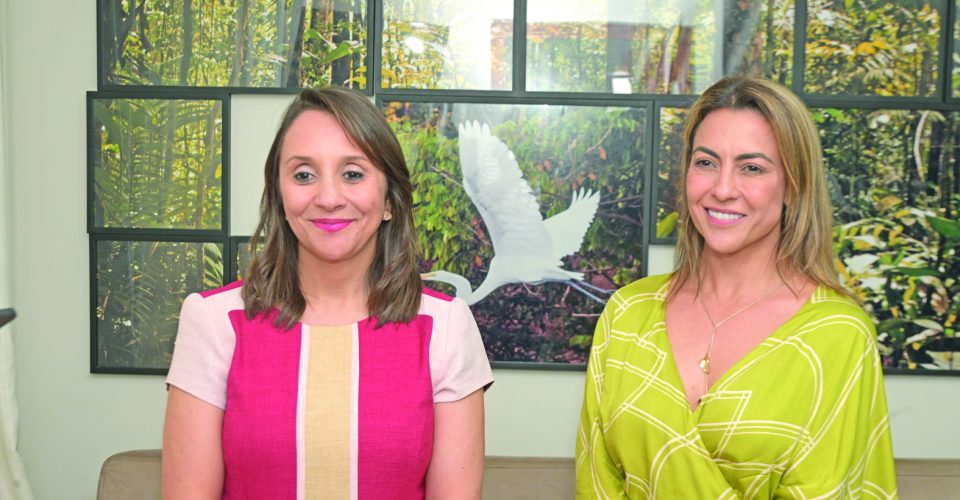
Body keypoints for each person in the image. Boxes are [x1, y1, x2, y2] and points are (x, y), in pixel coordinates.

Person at [162, 87, 493, 499]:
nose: (329, 197)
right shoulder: (213, 321)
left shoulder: (445, 327)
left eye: (353, 173)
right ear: (280, 197)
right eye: (304, 174)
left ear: (389, 198)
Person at [575, 77, 896, 498]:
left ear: (793, 186)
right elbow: (595, 477)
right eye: (706, 162)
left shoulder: (836, 335)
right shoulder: (627, 313)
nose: (722, 189)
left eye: (752, 168)